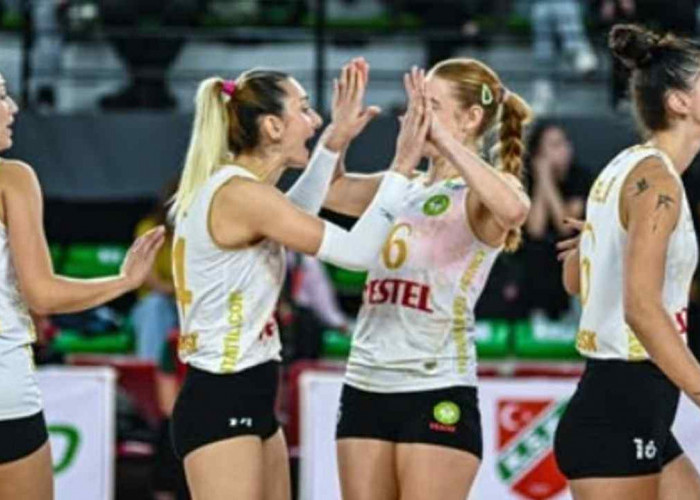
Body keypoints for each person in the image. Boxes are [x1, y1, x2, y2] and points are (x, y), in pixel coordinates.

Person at [169, 58, 430, 499]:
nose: (315, 120)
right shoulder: (242, 195)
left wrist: (334, 143)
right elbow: (357, 253)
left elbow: (296, 212)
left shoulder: (246, 192)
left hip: (249, 388)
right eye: (304, 109)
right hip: (222, 392)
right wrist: (401, 167)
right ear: (273, 126)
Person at [326, 58, 532, 500]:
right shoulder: (400, 185)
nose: (414, 116)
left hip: (435, 383)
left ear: (470, 118)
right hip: (366, 380)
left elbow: (514, 210)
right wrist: (338, 137)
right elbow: (329, 192)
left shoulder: (477, 193)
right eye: (414, 106)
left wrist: (444, 141)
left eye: (430, 106)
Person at [0, 73, 165, 500]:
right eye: (1, 97)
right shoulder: (12, 178)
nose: (13, 108)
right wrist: (125, 281)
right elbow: (42, 294)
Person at [554, 24, 700, 500]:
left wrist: (598, 247)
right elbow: (640, 308)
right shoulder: (656, 183)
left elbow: (573, 280)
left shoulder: (625, 166)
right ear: (679, 102)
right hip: (621, 406)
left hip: (631, 404)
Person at [523, 120, 593, 319]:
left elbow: (565, 225)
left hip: (570, 261)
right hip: (537, 265)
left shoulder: (581, 177)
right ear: (538, 154)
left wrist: (546, 180)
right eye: (555, 145)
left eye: (565, 143)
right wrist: (542, 179)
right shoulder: (527, 181)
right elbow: (535, 229)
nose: (564, 150)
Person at [131, 179, 178, 362]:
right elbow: (147, 277)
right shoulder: (150, 229)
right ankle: (149, 367)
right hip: (158, 305)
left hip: (192, 307)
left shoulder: (203, 232)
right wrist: (180, 291)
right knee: (155, 305)